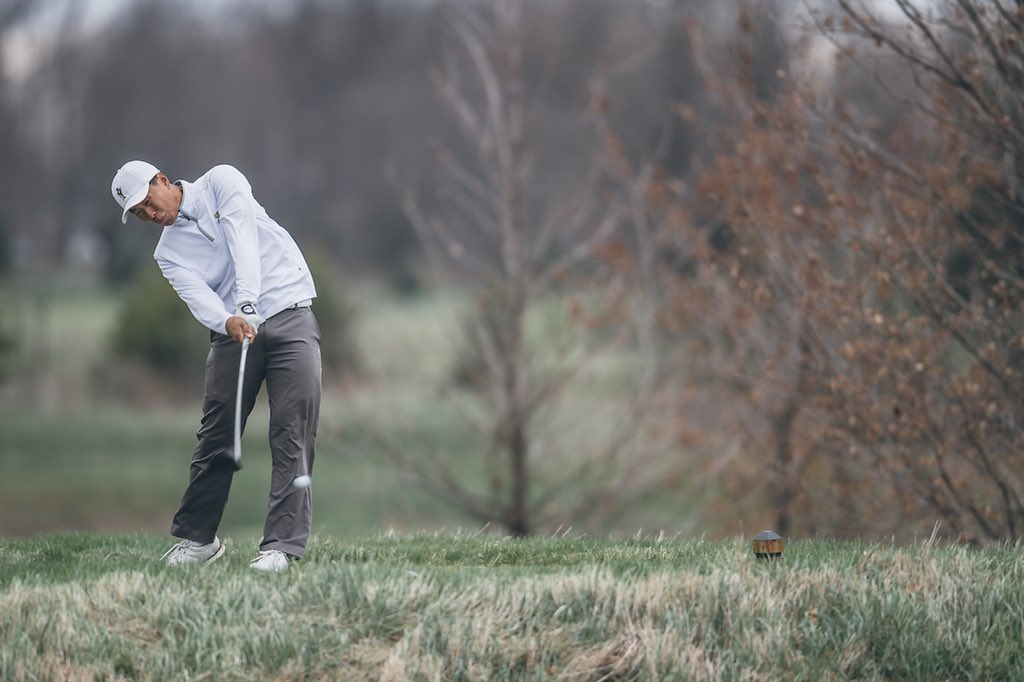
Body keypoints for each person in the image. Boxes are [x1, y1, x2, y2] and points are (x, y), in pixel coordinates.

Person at [111, 160, 321, 572]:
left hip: (289, 309)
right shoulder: (167, 254)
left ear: (163, 181)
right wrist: (229, 319)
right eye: (140, 215)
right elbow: (199, 299)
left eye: (148, 203)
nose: (151, 216)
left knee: (291, 430)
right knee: (216, 433)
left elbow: (242, 236)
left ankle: (281, 546)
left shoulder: (221, 182)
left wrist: (247, 298)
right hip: (233, 330)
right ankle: (198, 540)